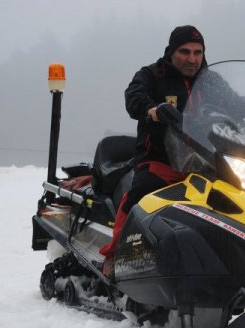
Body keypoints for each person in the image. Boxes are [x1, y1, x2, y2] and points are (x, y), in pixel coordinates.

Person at [99, 25, 207, 277]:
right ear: (171, 52)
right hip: (160, 159)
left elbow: (236, 101)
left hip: (205, 161)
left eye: (197, 52)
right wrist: (151, 109)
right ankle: (114, 254)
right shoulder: (153, 74)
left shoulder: (209, 81)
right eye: (185, 52)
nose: (192, 59)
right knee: (140, 193)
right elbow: (133, 96)